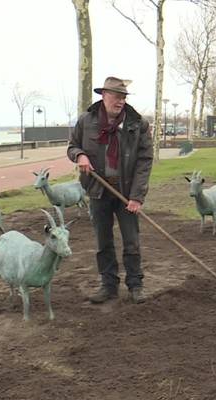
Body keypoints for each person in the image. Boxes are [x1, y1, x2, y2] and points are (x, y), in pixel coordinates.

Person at [67, 77, 153, 304]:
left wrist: (136, 196)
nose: (121, 101)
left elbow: (145, 160)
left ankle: (135, 285)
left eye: (124, 97)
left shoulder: (137, 124)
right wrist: (80, 155)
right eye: (116, 96)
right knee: (103, 241)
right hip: (98, 191)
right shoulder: (87, 121)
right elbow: (72, 146)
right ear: (103, 95)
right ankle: (108, 286)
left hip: (126, 194)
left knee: (131, 241)